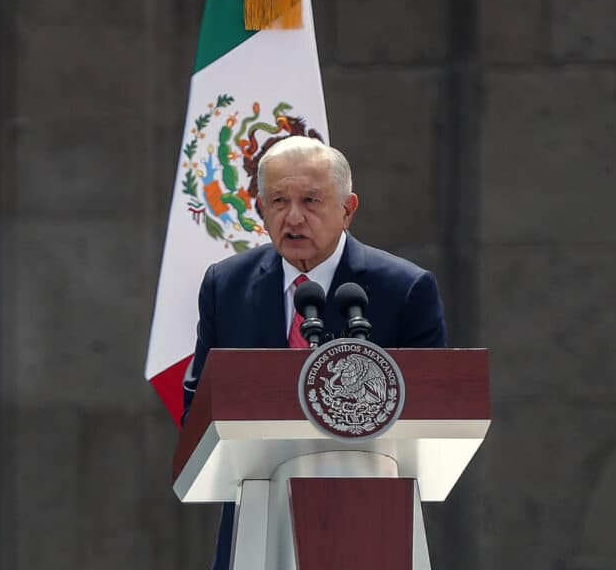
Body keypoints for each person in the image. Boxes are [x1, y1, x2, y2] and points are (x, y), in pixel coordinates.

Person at [181, 135, 446, 570]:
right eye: (279, 201)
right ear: (260, 211)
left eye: (310, 200)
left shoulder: (403, 289)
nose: (294, 217)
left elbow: (434, 412)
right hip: (258, 518)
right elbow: (198, 407)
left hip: (370, 516)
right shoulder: (225, 285)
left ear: (347, 209)